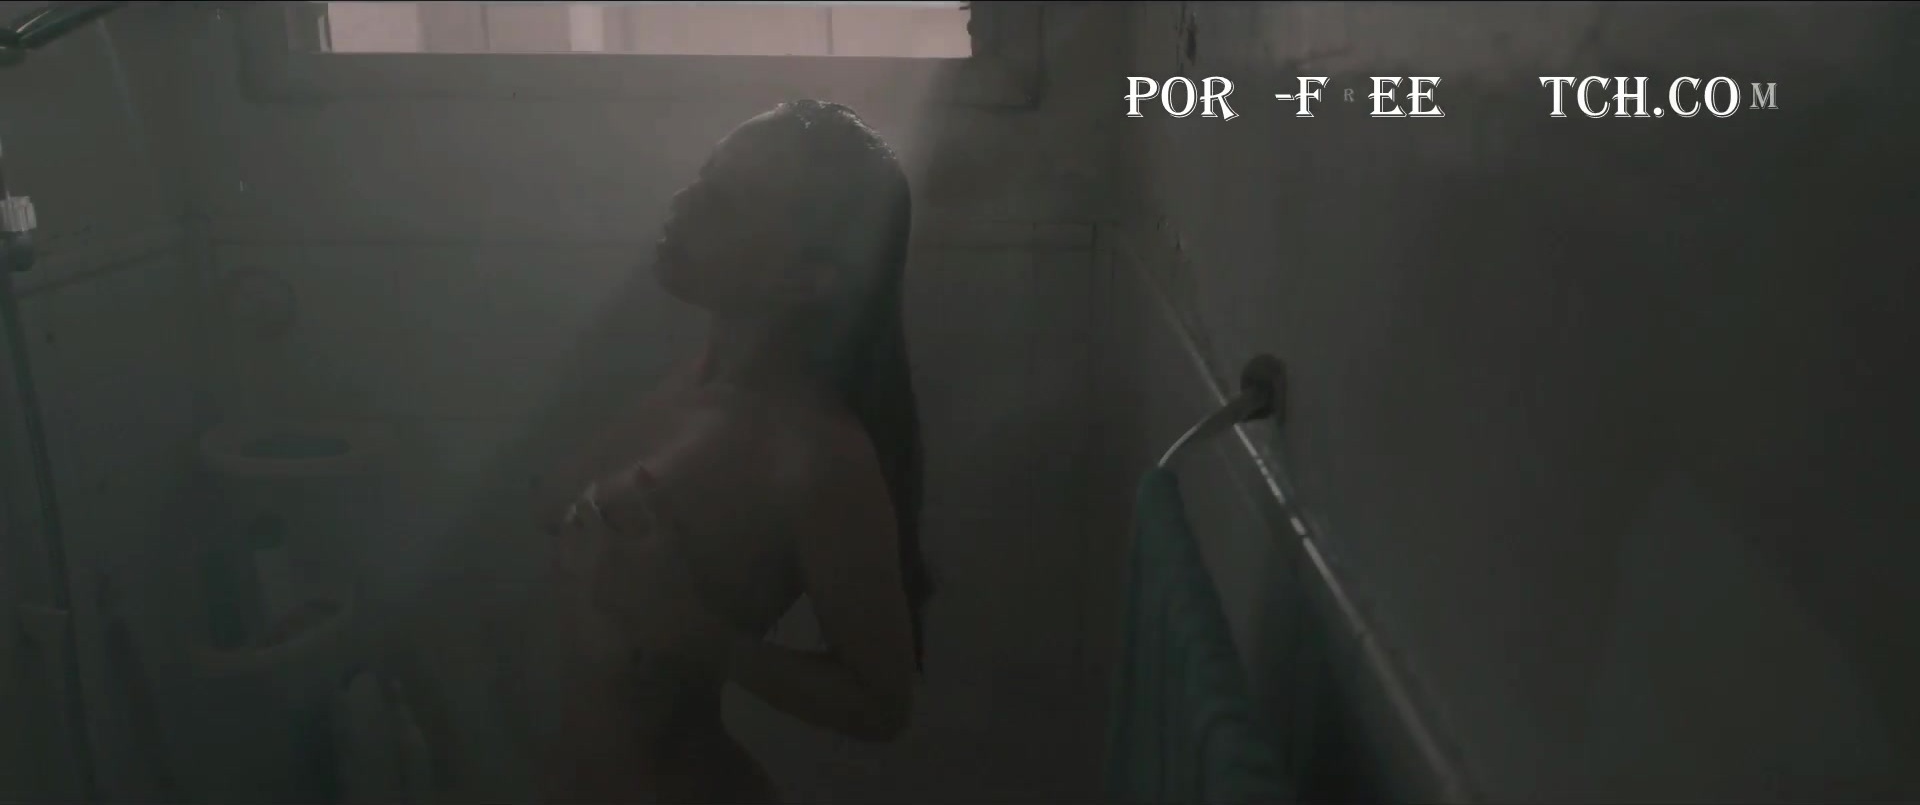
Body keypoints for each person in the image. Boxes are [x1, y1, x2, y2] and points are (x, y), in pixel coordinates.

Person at [529, 99, 931, 803]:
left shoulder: (816, 453)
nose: (684, 202)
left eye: (727, 201)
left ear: (810, 279)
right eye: (704, 175)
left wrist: (693, 630)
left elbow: (881, 704)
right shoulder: (699, 379)